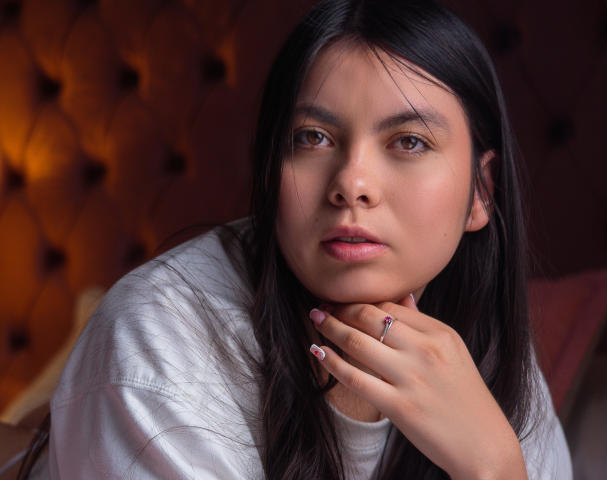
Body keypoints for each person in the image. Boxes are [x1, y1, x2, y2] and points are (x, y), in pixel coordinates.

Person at [22, 0, 572, 478]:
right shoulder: (160, 337)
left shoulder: (490, 357)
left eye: (408, 142)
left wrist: (494, 465)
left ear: (481, 190)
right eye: (313, 137)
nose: (352, 183)